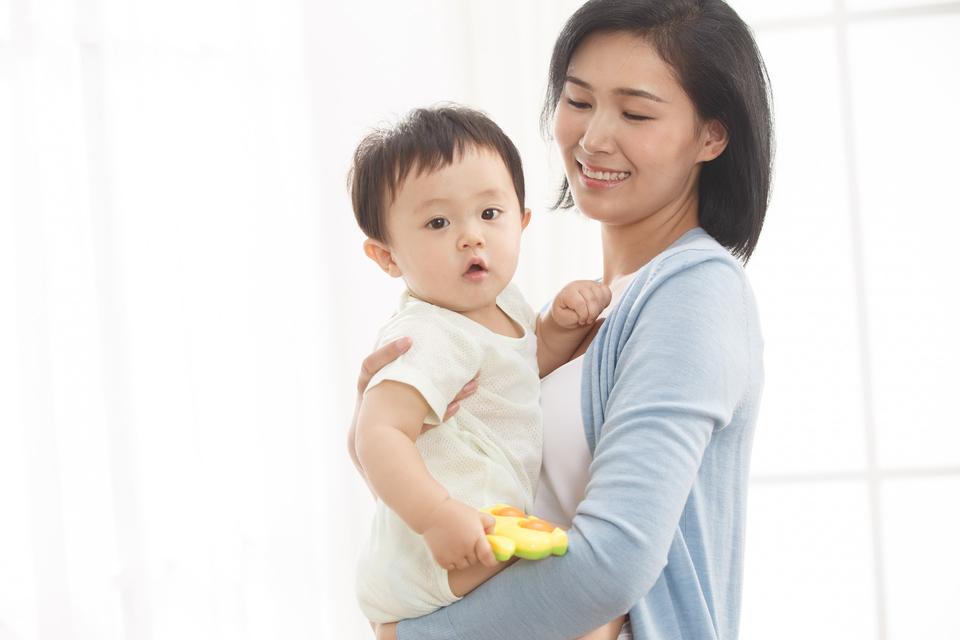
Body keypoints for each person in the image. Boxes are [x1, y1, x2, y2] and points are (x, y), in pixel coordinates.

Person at [351, 0, 774, 638]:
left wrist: (410, 638)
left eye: (635, 112)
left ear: (711, 136)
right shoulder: (554, 307)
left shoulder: (694, 294)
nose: (594, 137)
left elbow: (612, 565)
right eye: (578, 101)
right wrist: (382, 415)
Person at [346, 105, 620, 637]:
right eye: (438, 222)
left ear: (521, 222)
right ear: (386, 257)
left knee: (588, 596)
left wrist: (558, 329)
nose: (471, 236)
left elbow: (515, 376)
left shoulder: (506, 306)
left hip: (477, 528)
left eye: (489, 214)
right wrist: (437, 516)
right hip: (432, 548)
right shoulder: (428, 334)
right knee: (592, 600)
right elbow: (377, 434)